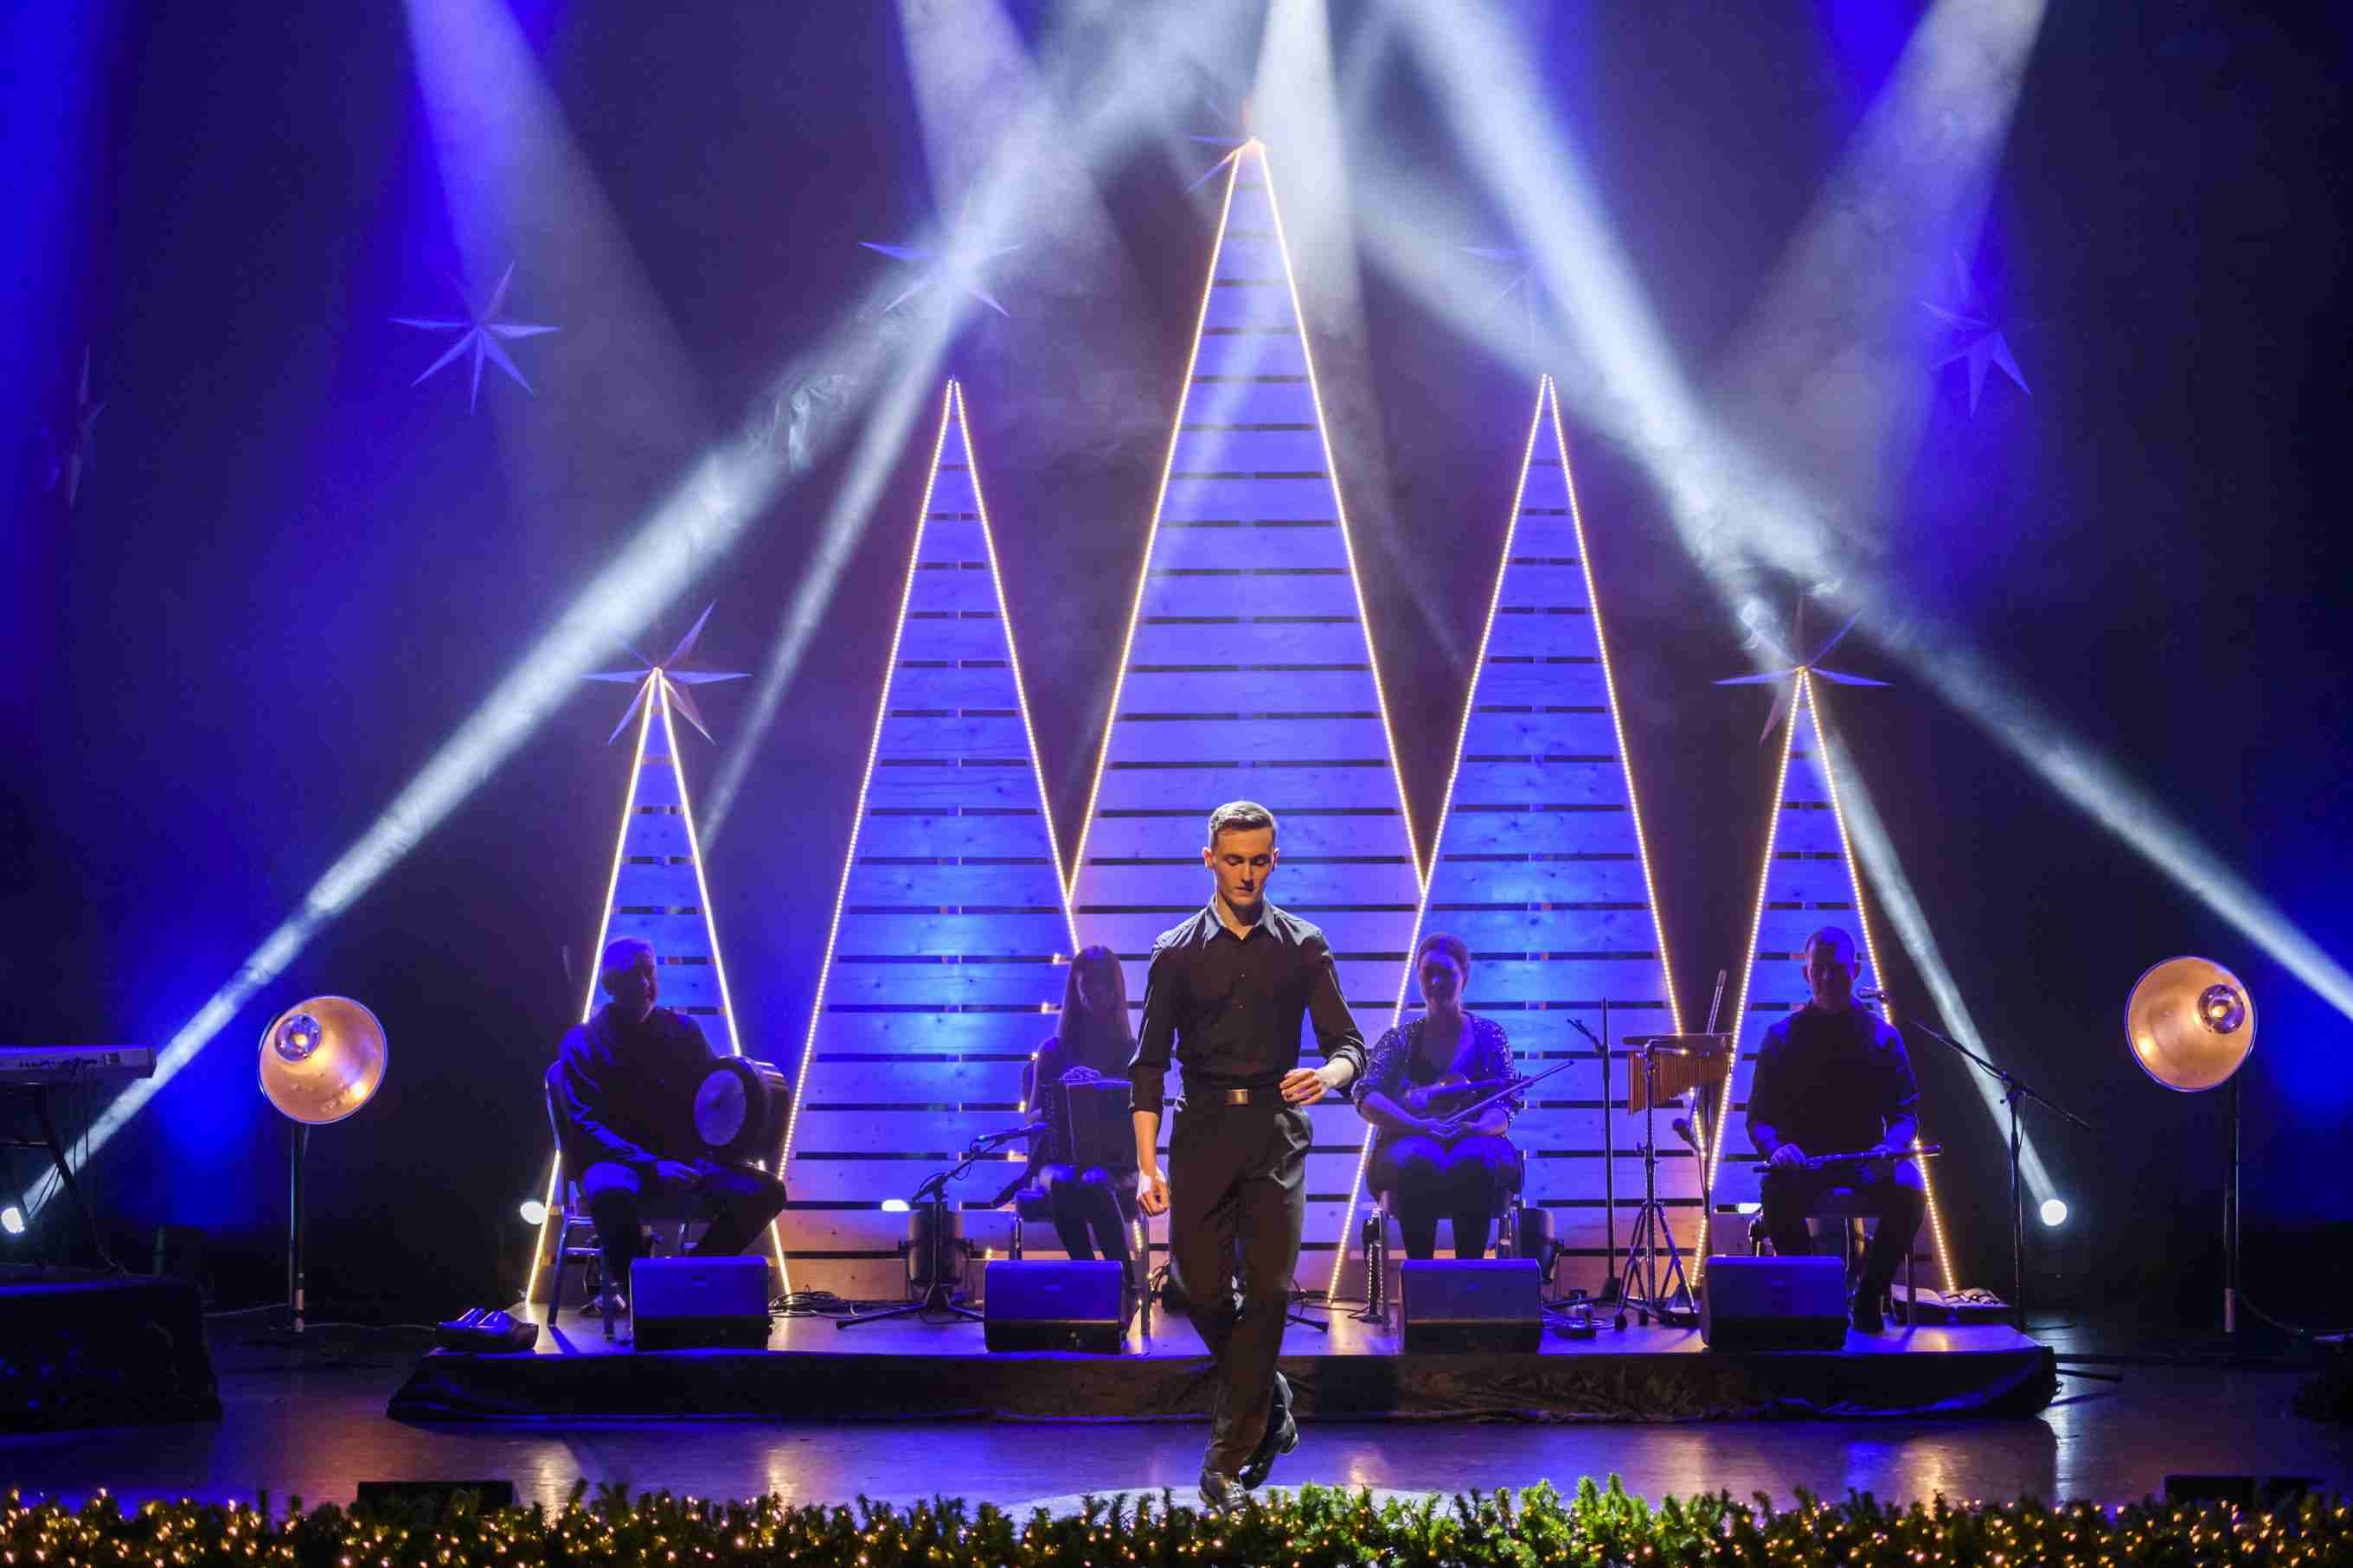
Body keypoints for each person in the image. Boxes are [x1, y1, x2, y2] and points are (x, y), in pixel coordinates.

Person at [1130, 801, 1364, 1511]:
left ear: (1274, 861)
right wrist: (1147, 1165)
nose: (1246, 873)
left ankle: (1224, 1462)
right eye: (1233, 859)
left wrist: (1328, 1075)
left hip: (1276, 1131)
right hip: (1200, 1130)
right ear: (1210, 859)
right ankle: (1272, 1396)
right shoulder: (1175, 951)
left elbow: (1350, 1045)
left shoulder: (1303, 944)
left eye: (1259, 860)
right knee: (1198, 1288)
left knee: (1268, 1291)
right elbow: (1147, 1067)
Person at [553, 936, 788, 1334]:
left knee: (766, 1191)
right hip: (617, 1164)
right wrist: (652, 1166)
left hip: (682, 1162)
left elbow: (712, 1100)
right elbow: (586, 1128)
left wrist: (710, 1155)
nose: (646, 983)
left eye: (650, 972)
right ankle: (648, 1302)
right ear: (610, 984)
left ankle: (686, 1280)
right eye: (634, 974)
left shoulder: (683, 1031)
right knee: (609, 1192)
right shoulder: (582, 1043)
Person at [1745, 925, 1924, 1333]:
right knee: (1774, 1193)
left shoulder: (1883, 1036)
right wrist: (1776, 1149)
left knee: (1911, 1191)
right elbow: (1759, 1118)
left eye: (1838, 969)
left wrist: (1891, 1147)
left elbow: (1905, 1113)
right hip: (1803, 1165)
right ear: (1806, 974)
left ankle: (1868, 1296)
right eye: (1820, 969)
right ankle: (1816, 1298)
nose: (1828, 978)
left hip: (1866, 1162)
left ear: (1855, 971)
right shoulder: (1780, 1038)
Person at [1354, 931, 1522, 1260]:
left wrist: (1479, 1128)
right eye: (1427, 973)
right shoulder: (1399, 1039)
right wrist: (1417, 1126)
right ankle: (1421, 1277)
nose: (1435, 982)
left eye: (1446, 973)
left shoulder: (1490, 1035)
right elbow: (1367, 1096)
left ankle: (1469, 1275)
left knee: (1474, 1160)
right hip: (1410, 1137)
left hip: (1475, 1137)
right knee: (1419, 1160)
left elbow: (1505, 1101)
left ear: (1464, 978)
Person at [1019, 944, 1138, 1280]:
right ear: (1075, 989)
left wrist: (1103, 1086)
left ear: (1115, 990)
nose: (1095, 994)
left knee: (1095, 1180)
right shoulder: (1053, 1050)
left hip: (1115, 1162)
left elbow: (1142, 1111)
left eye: (1103, 985)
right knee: (1063, 1181)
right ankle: (1090, 1277)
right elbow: (1033, 1115)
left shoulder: (1130, 1051)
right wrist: (1064, 1097)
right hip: (1057, 1161)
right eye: (1087, 986)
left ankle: (1123, 1280)